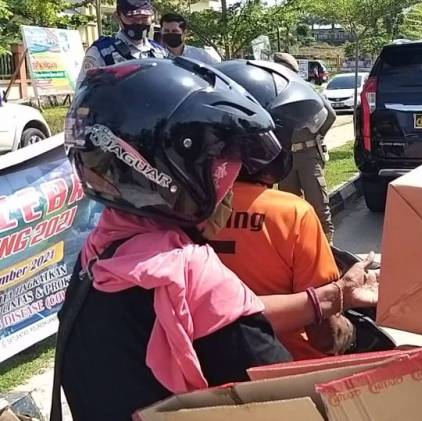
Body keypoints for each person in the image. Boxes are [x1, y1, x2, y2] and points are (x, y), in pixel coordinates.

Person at [52, 57, 378, 421]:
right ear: (174, 167)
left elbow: (227, 319)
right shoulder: (189, 274)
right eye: (218, 161)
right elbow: (287, 404)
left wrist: (332, 296)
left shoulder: (100, 254)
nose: (230, 185)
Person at [212, 59, 354, 360]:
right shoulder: (293, 214)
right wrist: (347, 328)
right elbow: (325, 337)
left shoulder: (177, 210)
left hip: (201, 368)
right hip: (286, 369)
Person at [267, 54, 336, 241]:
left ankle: (328, 248)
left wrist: (317, 134)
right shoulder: (272, 93)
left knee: (319, 205)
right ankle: (296, 248)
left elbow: (330, 115)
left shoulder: (305, 89)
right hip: (286, 157)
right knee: (289, 207)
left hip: (308, 154)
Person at [76, 0, 168, 86]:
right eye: (132, 18)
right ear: (117, 17)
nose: (139, 22)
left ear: (152, 16)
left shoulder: (160, 52)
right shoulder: (101, 52)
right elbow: (83, 90)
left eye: (144, 17)